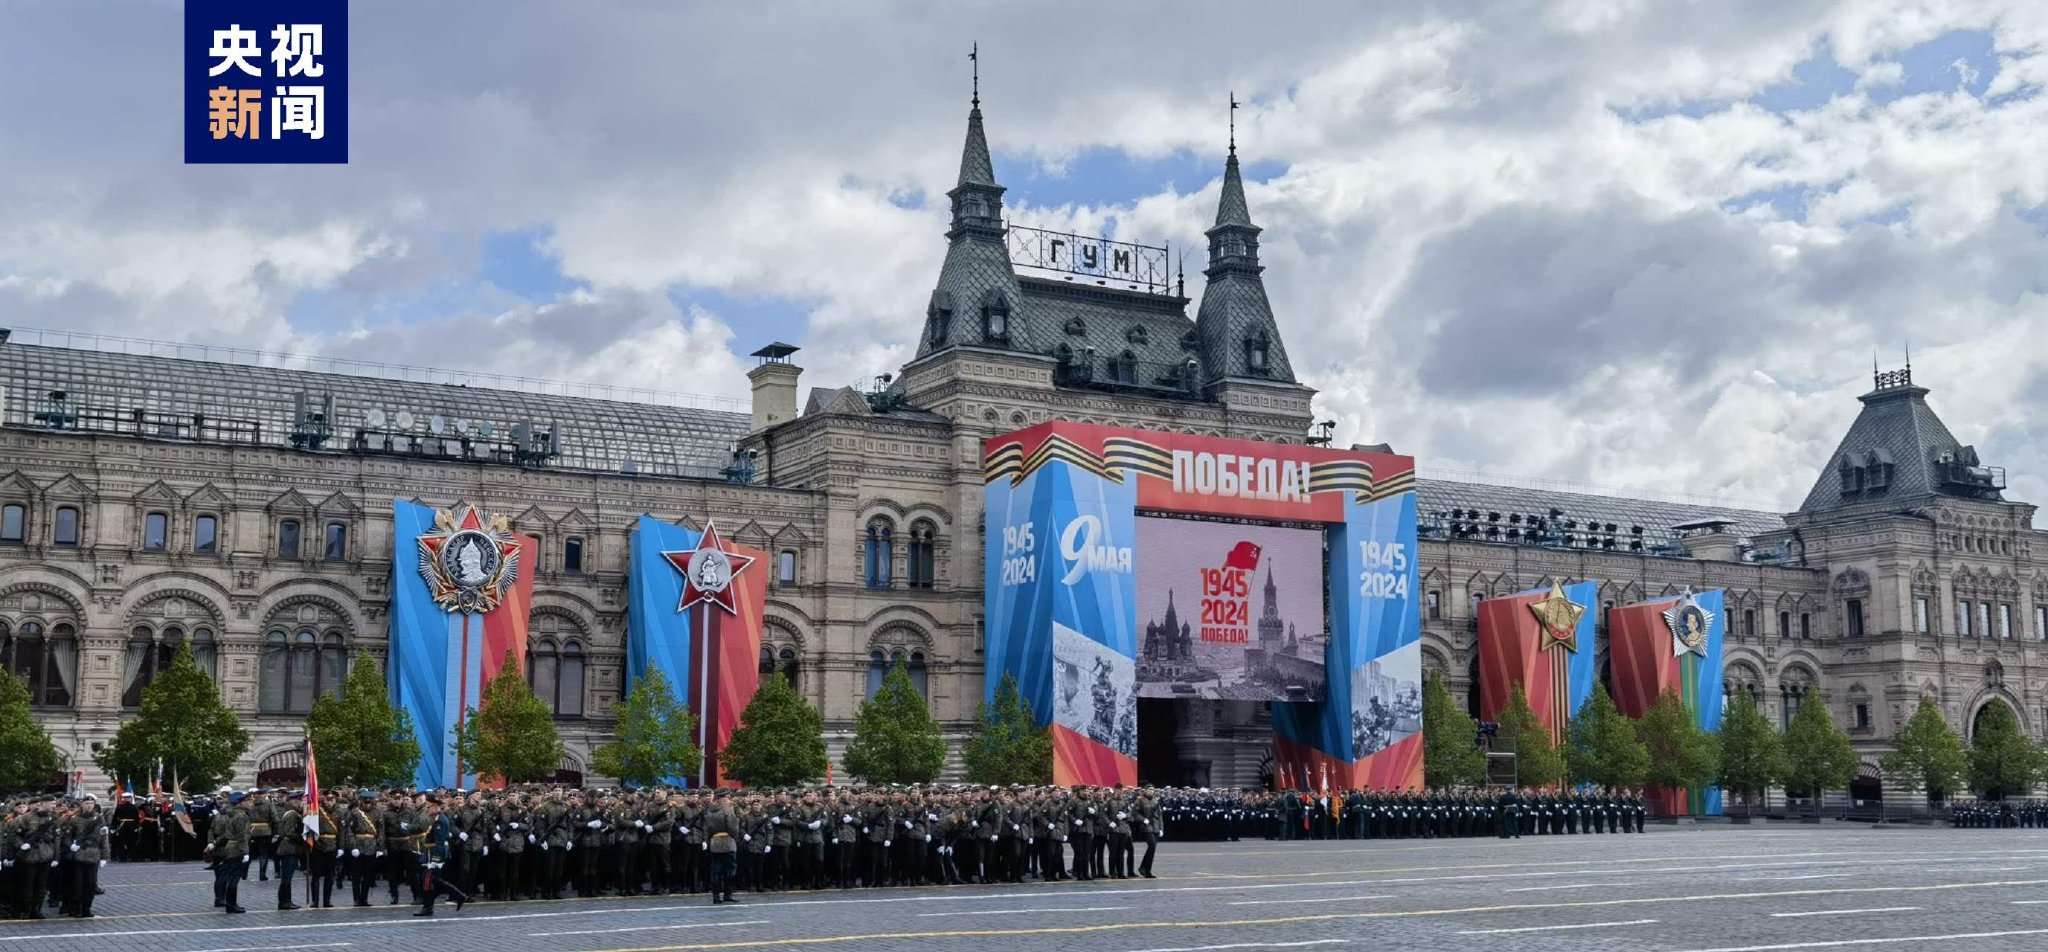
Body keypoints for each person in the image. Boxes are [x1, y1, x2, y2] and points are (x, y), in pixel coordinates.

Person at [413, 796, 469, 917]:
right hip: (430, 852)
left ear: (436, 807)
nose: (427, 809)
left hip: (436, 854)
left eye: (429, 807)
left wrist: (435, 860)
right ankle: (459, 896)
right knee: (434, 881)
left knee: (427, 880)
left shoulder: (440, 820)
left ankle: (428, 907)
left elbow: (440, 841)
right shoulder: (436, 818)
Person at [208, 791, 251, 914]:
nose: (249, 803)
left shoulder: (231, 814)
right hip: (237, 848)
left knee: (231, 876)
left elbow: (227, 834)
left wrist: (214, 843)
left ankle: (230, 903)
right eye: (246, 801)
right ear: (240, 803)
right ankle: (231, 905)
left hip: (229, 847)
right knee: (234, 878)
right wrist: (245, 851)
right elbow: (242, 835)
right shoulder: (241, 816)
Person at [702, 789, 740, 905]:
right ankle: (728, 894)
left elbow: (707, 827)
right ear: (727, 796)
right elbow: (732, 826)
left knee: (716, 871)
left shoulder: (710, 810)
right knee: (730, 869)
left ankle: (716, 896)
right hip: (727, 841)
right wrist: (735, 836)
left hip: (715, 842)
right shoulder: (728, 809)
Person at [273, 791, 304, 910]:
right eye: (299, 800)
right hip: (289, 848)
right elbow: (289, 832)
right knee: (286, 877)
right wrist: (302, 838)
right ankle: (284, 901)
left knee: (287, 876)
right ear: (293, 801)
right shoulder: (292, 814)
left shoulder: (292, 813)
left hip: (290, 848)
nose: (301, 803)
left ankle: (286, 900)